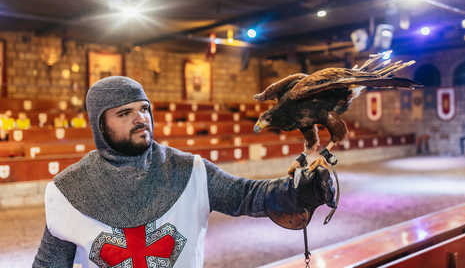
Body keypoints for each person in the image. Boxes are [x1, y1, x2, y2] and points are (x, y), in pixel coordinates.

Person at [33, 76, 335, 268]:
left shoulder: (190, 170)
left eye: (144, 108)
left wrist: (294, 189)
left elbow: (247, 196)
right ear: (100, 125)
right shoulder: (69, 190)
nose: (140, 118)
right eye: (124, 113)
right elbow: (49, 264)